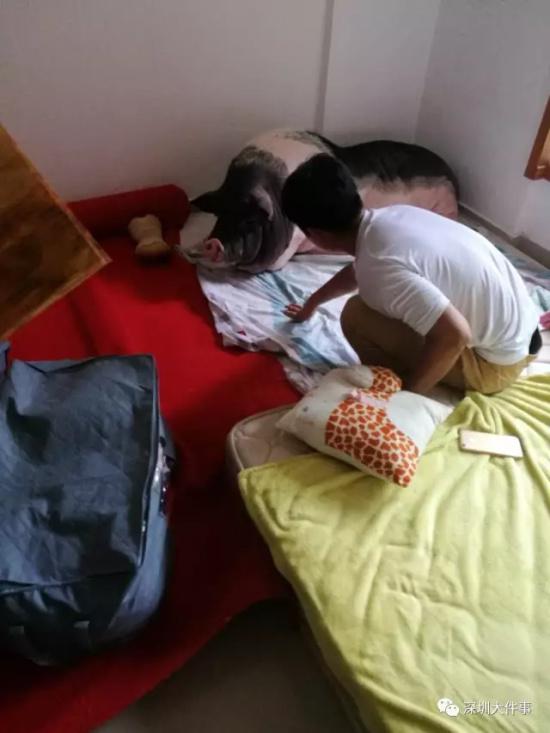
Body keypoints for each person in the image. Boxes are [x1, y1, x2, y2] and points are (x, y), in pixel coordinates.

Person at [281, 154, 541, 395]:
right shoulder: (392, 217)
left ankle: (396, 383)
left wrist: (409, 396)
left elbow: (455, 335)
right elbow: (362, 268)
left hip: (496, 365)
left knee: (356, 315)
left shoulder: (379, 266)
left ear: (317, 235)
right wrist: (312, 304)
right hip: (525, 332)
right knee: (380, 301)